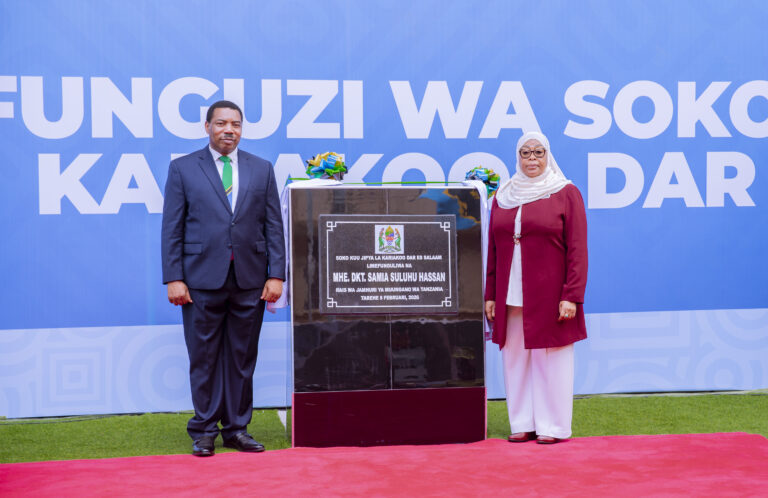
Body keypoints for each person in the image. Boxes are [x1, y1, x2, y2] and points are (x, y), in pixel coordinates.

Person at [161, 100, 285, 457]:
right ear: (207, 127)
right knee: (204, 357)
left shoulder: (261, 169)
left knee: (242, 358)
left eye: (235, 124)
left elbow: (273, 225)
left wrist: (276, 274)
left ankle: (236, 429)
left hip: (250, 280)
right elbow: (172, 227)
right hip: (199, 280)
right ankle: (203, 430)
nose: (229, 130)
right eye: (221, 124)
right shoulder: (183, 169)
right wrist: (174, 277)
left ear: (241, 129)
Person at [484, 131, 587, 444]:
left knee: (551, 360)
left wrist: (572, 295)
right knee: (514, 358)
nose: (532, 159)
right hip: (509, 294)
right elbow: (494, 248)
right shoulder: (503, 195)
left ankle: (552, 426)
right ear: (517, 157)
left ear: (548, 155)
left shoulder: (565, 193)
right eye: (525, 153)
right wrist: (490, 293)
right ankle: (522, 422)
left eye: (538, 153)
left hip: (550, 294)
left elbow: (578, 249)